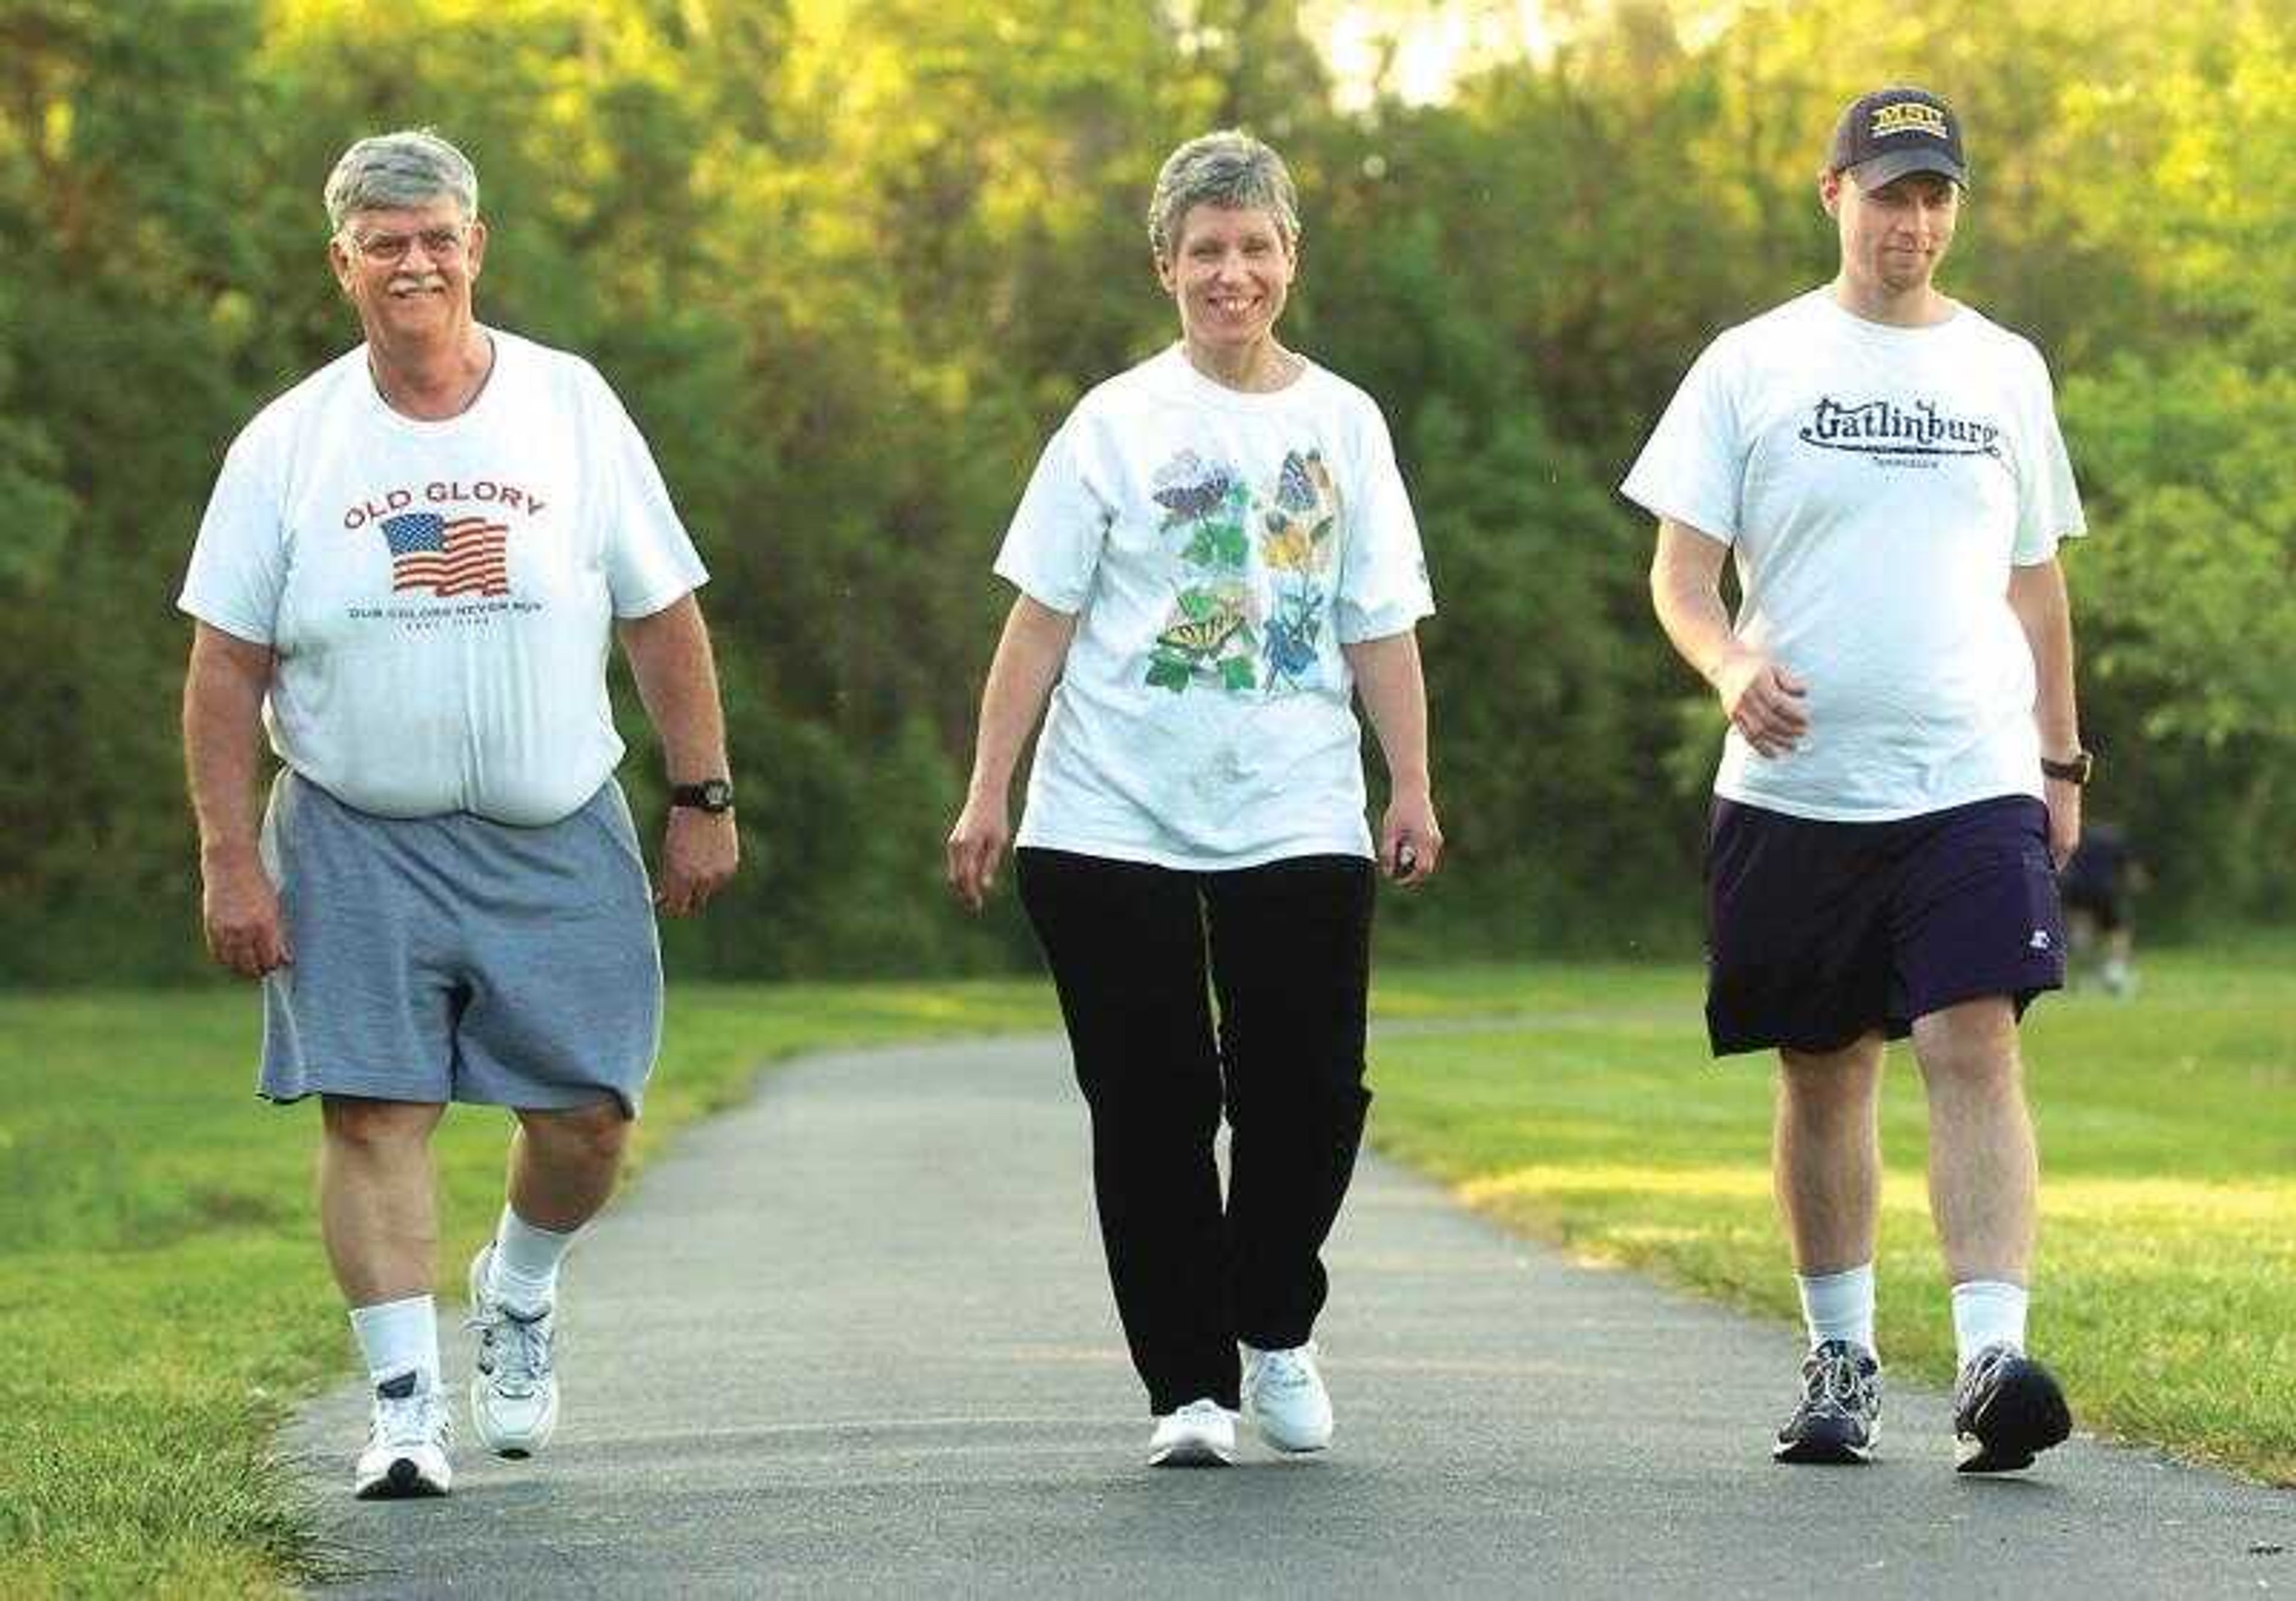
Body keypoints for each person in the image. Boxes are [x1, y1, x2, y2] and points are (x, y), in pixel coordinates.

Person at [179, 129, 738, 1499]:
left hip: (555, 825)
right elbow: (223, 665)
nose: (414, 260)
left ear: (476, 245)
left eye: (437, 236)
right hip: (355, 831)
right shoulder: (290, 441)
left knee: (591, 1113)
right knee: (373, 1110)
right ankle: (402, 1409)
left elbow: (662, 613)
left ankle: (520, 1283)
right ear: (345, 264)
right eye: (385, 242)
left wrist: (701, 794)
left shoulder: (570, 406)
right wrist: (229, 858)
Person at [945, 130, 1439, 1467]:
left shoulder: (1343, 422)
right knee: (1154, 1105)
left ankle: (1275, 1320)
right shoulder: (1113, 422)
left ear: (1290, 258)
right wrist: (990, 789)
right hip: (1109, 811)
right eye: (1206, 250)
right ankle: (1190, 1389)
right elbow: (1039, 622)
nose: (1233, 273)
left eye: (1255, 247)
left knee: (1311, 1093)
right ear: (1166, 265)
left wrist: (1412, 781)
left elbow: (1377, 620)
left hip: (1296, 807)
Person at [1625, 87, 2089, 1474]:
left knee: (1972, 1037)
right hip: (1795, 787)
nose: (1915, 219)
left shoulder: (2003, 366)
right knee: (1821, 1065)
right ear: (1832, 194)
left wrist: (2059, 756)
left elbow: (2036, 579)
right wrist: (1721, 670)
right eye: (1890, 192)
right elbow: (1678, 575)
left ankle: (1991, 1355)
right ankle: (1840, 1355)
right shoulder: (1749, 362)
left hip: (1969, 768)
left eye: (1935, 194)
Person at [2059, 820, 2141, 995]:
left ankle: (2084, 974)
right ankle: (2114, 972)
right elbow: (2130, 871)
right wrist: (2135, 886)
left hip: (2078, 890)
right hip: (2106, 890)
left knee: (2081, 931)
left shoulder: (2079, 838)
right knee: (2118, 931)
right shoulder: (2114, 839)